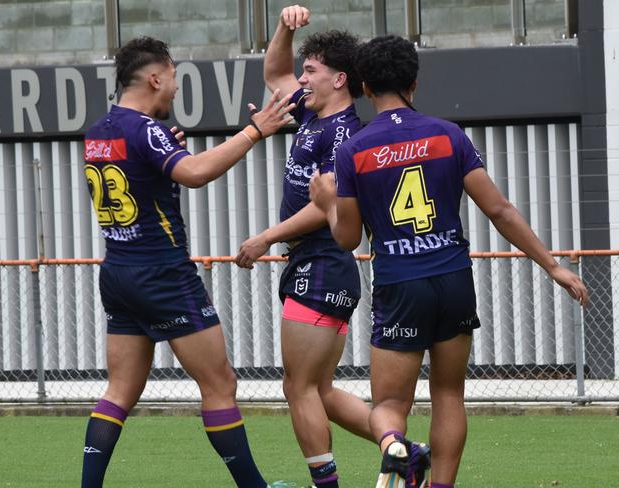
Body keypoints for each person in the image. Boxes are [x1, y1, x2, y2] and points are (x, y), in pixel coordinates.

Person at [310, 35, 590, 488]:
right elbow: (499, 210)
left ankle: (394, 447)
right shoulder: (447, 134)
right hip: (454, 279)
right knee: (448, 394)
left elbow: (346, 239)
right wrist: (553, 266)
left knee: (389, 407)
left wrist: (326, 204)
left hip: (400, 285)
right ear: (414, 83)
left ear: (363, 86)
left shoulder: (353, 150)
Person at [80, 36, 296, 488]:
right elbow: (195, 173)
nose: (176, 88)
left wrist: (164, 149)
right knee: (220, 384)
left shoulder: (100, 129)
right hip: (162, 273)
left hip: (117, 271)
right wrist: (255, 130)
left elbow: (141, 175)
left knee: (119, 391)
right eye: (174, 77)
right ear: (155, 77)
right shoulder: (146, 130)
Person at [235, 5, 373, 488]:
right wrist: (283, 27)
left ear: (339, 80)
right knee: (319, 389)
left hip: (324, 262)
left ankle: (326, 486)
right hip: (316, 265)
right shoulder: (309, 112)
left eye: (310, 71)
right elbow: (274, 71)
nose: (301, 78)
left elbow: (325, 207)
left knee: (297, 387)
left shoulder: (345, 133)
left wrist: (266, 237)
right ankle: (401, 447)